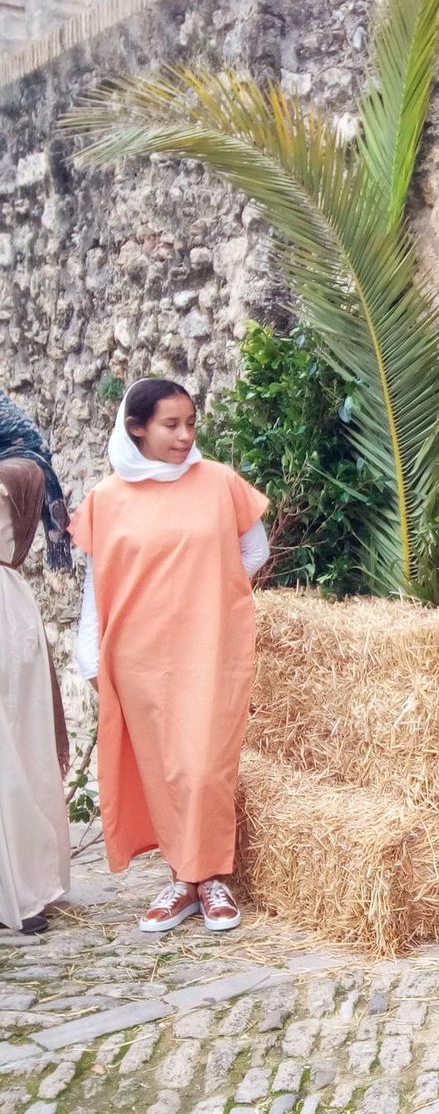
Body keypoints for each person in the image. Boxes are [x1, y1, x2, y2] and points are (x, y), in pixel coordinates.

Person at [70, 378, 270, 933]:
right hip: (136, 659)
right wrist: (91, 660)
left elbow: (254, 550)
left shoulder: (219, 483)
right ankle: (186, 880)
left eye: (191, 423)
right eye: (171, 425)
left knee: (204, 765)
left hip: (208, 649)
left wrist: (207, 594)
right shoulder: (105, 501)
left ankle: (211, 880)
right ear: (137, 428)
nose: (185, 436)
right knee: (160, 770)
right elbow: (95, 587)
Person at [0, 393, 74, 936]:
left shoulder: (17, 459)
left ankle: (18, 888)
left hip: (5, 620)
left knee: (13, 752)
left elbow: (22, 482)